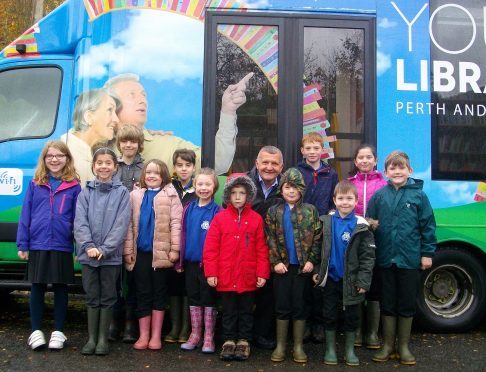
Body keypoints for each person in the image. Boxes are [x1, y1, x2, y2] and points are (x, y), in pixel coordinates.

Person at [103, 72, 253, 175]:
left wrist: (227, 112)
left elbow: (218, 163)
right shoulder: (95, 145)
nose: (142, 100)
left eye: (144, 95)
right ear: (111, 104)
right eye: (132, 95)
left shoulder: (169, 145)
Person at [367, 151, 436, 366]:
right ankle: (388, 346)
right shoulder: (379, 196)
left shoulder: (419, 196)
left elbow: (427, 225)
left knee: (406, 302)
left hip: (409, 259)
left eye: (401, 168)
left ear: (409, 171)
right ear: (386, 172)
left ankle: (403, 347)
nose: (397, 172)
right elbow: (369, 222)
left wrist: (427, 253)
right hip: (385, 258)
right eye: (393, 168)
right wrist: (370, 226)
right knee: (387, 302)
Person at [16, 141, 81, 350]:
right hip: (38, 243)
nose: (54, 159)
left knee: (61, 287)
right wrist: (22, 243)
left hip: (61, 244)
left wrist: (79, 247)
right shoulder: (35, 183)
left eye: (59, 155)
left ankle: (58, 332)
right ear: (44, 159)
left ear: (67, 159)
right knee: (37, 286)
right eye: (50, 156)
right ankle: (35, 331)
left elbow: (79, 219)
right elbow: (26, 214)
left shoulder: (74, 185)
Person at [203, 174, 270, 361]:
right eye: (234, 193)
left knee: (246, 311)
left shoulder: (256, 219)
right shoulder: (219, 219)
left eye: (242, 193)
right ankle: (229, 340)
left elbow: (262, 249)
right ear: (228, 196)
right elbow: (211, 248)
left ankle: (244, 341)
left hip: (248, 275)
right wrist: (211, 272)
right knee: (229, 310)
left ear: (249, 195)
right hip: (226, 275)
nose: (238, 196)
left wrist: (262, 273)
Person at [74, 147, 131, 356]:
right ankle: (91, 339)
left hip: (110, 257)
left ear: (115, 167)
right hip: (88, 256)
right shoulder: (85, 192)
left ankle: (102, 340)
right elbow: (79, 222)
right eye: (100, 163)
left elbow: (121, 224)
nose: (104, 166)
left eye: (108, 163)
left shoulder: (122, 193)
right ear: (94, 166)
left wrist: (105, 249)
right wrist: (88, 246)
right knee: (91, 296)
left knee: (108, 296)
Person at [314, 180, 376, 366]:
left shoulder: (361, 226)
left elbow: (368, 257)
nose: (345, 202)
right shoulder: (326, 222)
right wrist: (318, 270)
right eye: (341, 198)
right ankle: (331, 350)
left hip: (352, 280)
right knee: (329, 314)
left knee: (352, 316)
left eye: (349, 198)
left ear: (356, 200)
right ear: (334, 200)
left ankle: (349, 351)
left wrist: (363, 281)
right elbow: (317, 249)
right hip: (331, 278)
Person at [123, 159, 183, 350]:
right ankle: (144, 335)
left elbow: (176, 224)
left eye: (156, 173)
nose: (151, 176)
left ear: (163, 176)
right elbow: (128, 226)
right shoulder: (134, 195)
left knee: (159, 293)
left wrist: (175, 249)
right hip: (140, 254)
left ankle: (156, 336)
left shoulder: (171, 195)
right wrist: (128, 251)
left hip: (162, 255)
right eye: (148, 172)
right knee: (142, 293)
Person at [265, 168, 322, 364]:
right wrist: (276, 262)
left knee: (300, 305)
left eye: (295, 188)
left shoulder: (310, 211)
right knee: (282, 306)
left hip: (302, 269)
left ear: (302, 190)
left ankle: (298, 346)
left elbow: (317, 238)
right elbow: (269, 239)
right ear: (282, 189)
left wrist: (311, 261)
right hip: (282, 268)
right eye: (287, 187)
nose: (291, 191)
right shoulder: (273, 211)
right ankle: (281, 346)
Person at [296, 132, 338, 343]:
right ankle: (303, 324)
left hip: (322, 228)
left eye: (316, 148)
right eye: (308, 149)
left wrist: (331, 212)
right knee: (303, 277)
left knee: (320, 278)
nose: (312, 152)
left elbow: (334, 198)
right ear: (302, 151)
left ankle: (318, 324)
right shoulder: (296, 172)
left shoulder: (330, 173)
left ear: (322, 150)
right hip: (302, 230)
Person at [176, 168, 221, 353]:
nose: (203, 188)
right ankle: (195, 334)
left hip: (209, 266)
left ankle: (209, 337)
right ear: (194, 187)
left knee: (208, 298)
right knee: (193, 297)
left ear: (215, 187)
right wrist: (179, 261)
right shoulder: (188, 209)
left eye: (208, 184)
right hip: (191, 263)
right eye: (200, 184)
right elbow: (183, 235)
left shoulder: (218, 211)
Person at [108, 124, 145, 343]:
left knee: (133, 278)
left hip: (138, 229)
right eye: (124, 141)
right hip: (114, 229)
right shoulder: (113, 167)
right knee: (114, 277)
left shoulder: (146, 167)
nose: (128, 145)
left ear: (139, 144)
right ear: (119, 144)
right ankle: (114, 321)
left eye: (132, 141)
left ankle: (131, 322)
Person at [348, 144, 387, 349]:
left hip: (376, 239)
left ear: (375, 160)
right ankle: (356, 330)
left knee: (375, 284)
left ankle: (372, 333)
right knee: (355, 280)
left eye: (368, 157)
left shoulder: (384, 185)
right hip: (355, 239)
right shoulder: (348, 184)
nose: (364, 160)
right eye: (360, 157)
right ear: (355, 162)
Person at [247, 145, 284, 349]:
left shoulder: (287, 186)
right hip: (245, 246)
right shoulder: (244, 183)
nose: (269, 167)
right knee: (243, 292)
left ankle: (261, 333)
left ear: (281, 166)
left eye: (274, 163)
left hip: (273, 249)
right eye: (265, 162)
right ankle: (241, 333)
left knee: (268, 293)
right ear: (257, 163)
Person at [165, 149, 198, 344]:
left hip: (190, 247)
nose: (184, 169)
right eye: (180, 165)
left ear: (194, 167)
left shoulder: (199, 188)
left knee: (188, 288)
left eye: (188, 165)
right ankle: (174, 326)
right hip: (172, 246)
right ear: (174, 167)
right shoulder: (169, 189)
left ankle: (186, 327)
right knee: (173, 287)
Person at [61, 89, 121, 187]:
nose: (116, 119)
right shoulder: (66, 153)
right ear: (89, 117)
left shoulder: (88, 151)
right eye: (110, 110)